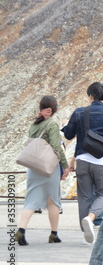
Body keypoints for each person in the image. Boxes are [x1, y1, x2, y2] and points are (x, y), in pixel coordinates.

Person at [63, 82, 103, 244]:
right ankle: (91, 218)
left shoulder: (79, 112)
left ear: (90, 96)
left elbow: (68, 135)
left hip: (82, 159)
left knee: (84, 196)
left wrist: (64, 126)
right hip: (102, 160)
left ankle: (86, 236)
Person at [15, 96, 70, 246]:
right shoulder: (52, 124)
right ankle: (53, 234)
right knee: (53, 200)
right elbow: (56, 147)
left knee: (31, 200)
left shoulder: (34, 124)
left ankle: (21, 229)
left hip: (33, 167)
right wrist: (65, 166)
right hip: (48, 167)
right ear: (53, 109)